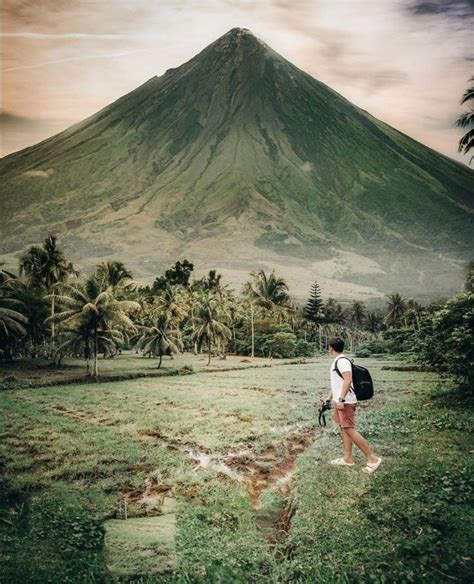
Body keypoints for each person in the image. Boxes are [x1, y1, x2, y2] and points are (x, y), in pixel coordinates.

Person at [325, 337, 382, 473]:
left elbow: (348, 380)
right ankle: (347, 459)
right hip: (339, 401)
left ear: (331, 348)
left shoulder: (342, 361)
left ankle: (372, 458)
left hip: (345, 402)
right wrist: (330, 397)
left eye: (328, 347)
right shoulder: (337, 361)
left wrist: (341, 399)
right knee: (344, 428)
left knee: (349, 429)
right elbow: (338, 382)